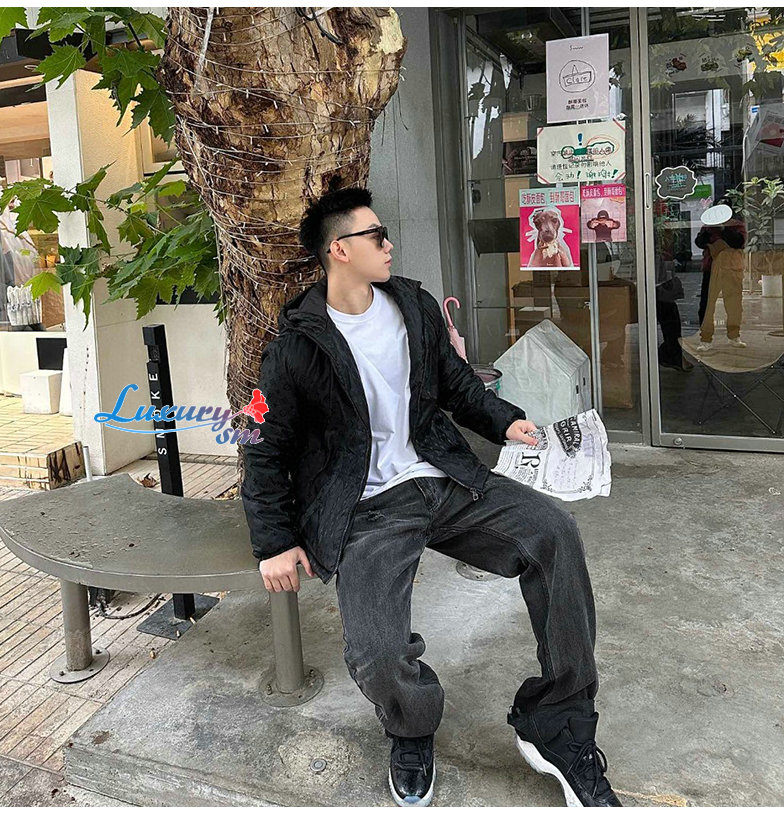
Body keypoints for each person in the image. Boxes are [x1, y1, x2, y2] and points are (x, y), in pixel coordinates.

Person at [241, 186, 621, 808]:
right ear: (340, 250)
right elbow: (262, 446)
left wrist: (505, 422)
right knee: (377, 653)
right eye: (376, 236)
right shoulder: (294, 348)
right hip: (366, 508)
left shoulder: (412, 304)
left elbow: (455, 383)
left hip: (445, 479)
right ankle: (413, 726)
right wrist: (274, 542)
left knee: (554, 532)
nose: (389, 244)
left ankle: (558, 724)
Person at [697, 218, 747, 352]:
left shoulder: (736, 225)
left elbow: (739, 242)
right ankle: (705, 339)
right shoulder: (708, 225)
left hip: (731, 269)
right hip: (711, 268)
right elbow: (699, 242)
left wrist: (724, 229)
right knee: (707, 304)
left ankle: (734, 335)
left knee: (734, 304)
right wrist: (707, 233)